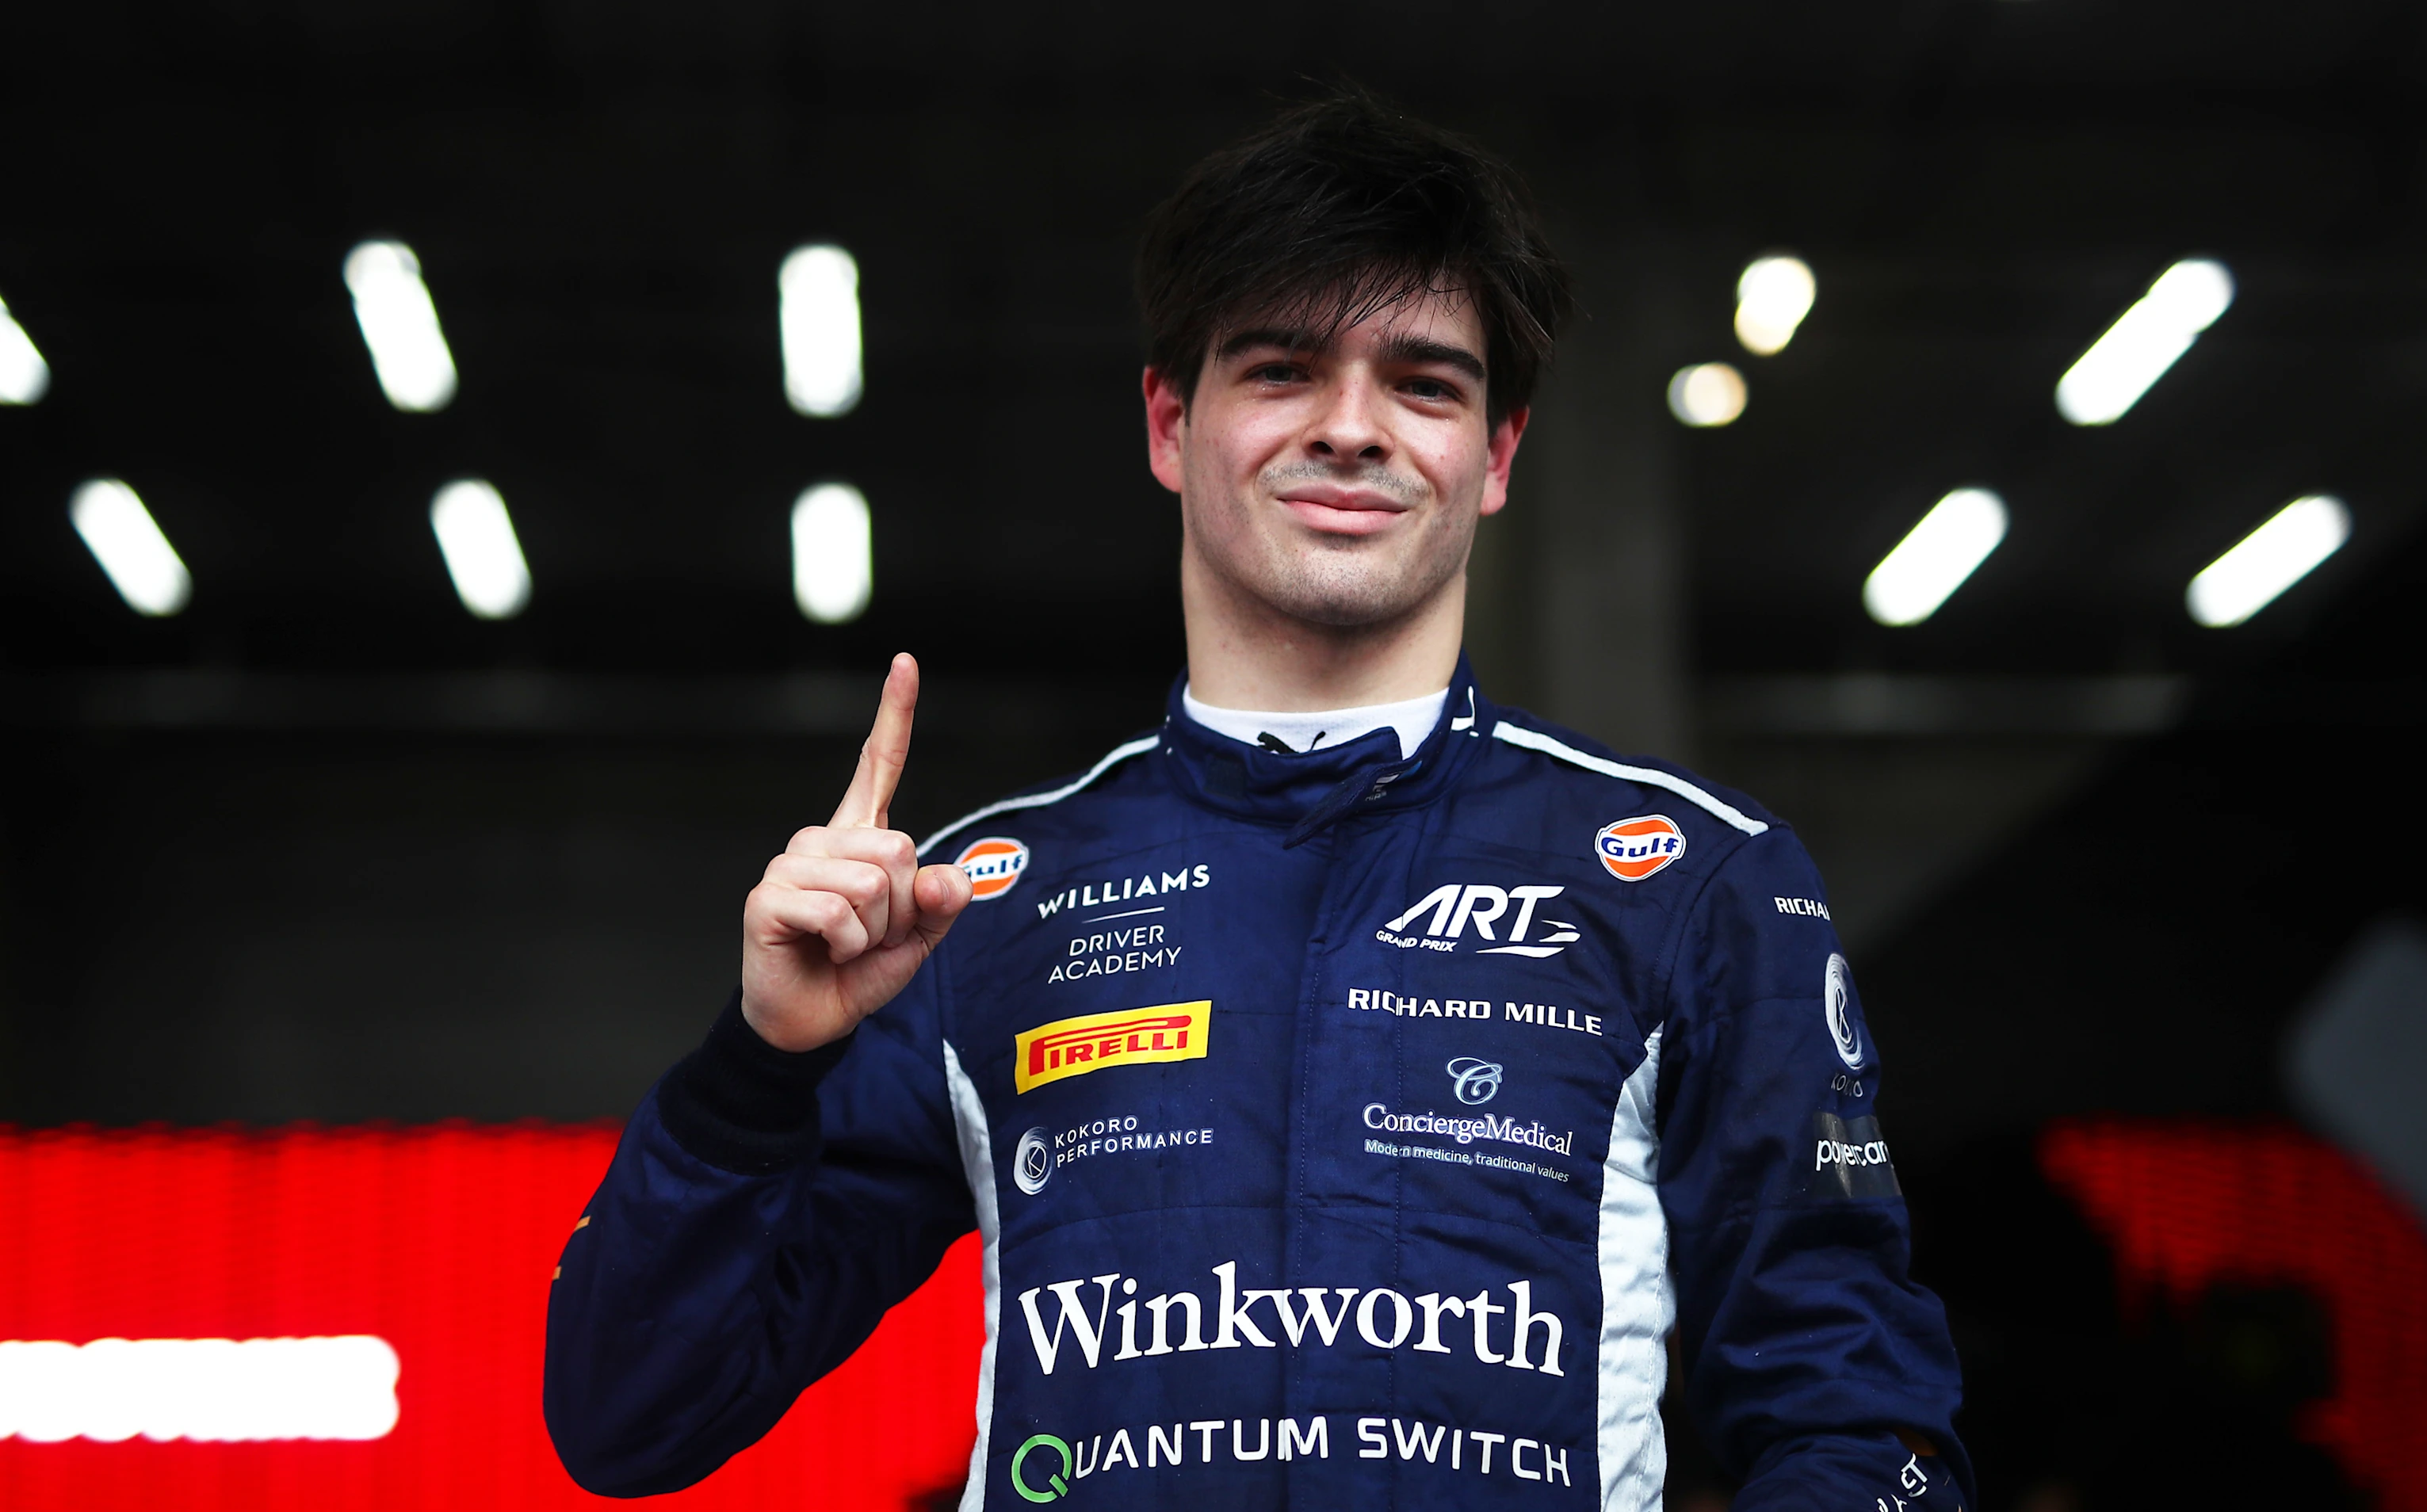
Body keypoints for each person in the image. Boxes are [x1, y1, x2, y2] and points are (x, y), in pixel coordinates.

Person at [545, 91, 1967, 1511]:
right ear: (1172, 423)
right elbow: (629, 1421)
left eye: (1424, 384)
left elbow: (1861, 1428)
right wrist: (756, 1070)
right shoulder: (973, 906)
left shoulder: (1695, 885)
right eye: (1284, 369)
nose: (1353, 429)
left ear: (1500, 455)